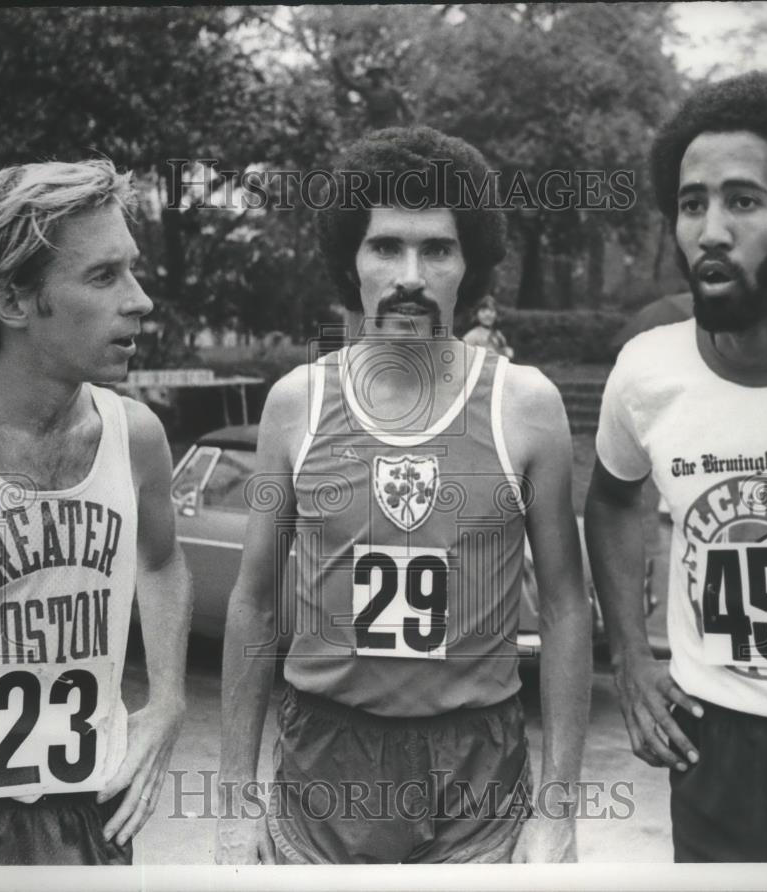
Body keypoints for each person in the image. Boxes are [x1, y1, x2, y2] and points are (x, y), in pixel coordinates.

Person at [215, 126, 591, 864]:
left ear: (469, 265)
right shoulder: (297, 402)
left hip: (476, 769)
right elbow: (252, 603)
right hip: (324, 764)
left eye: (437, 249)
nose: (410, 274)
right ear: (349, 259)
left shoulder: (526, 404)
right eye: (386, 246)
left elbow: (568, 606)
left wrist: (559, 810)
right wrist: (233, 801)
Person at [585, 72, 767, 862]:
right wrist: (630, 658)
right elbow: (613, 500)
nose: (709, 230)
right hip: (713, 748)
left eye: (743, 202)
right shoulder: (649, 370)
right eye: (692, 204)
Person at [0, 160, 192, 865]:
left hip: (87, 821)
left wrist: (171, 700)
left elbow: (161, 559)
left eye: (133, 269)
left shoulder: (135, 435)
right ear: (13, 299)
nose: (140, 299)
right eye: (102, 276)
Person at [331, 55, 412, 130]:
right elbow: (347, 83)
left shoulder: (392, 92)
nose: (376, 76)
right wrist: (337, 68)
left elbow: (406, 111)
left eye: (378, 73)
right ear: (370, 76)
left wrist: (405, 127)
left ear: (382, 75)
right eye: (373, 74)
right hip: (377, 130)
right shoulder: (367, 91)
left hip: (395, 128)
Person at [462, 294, 514, 358]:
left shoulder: (498, 334)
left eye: (492, 311)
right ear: (476, 315)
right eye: (483, 311)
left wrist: (507, 351)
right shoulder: (472, 335)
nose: (487, 315)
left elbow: (504, 350)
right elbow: (462, 354)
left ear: (497, 315)